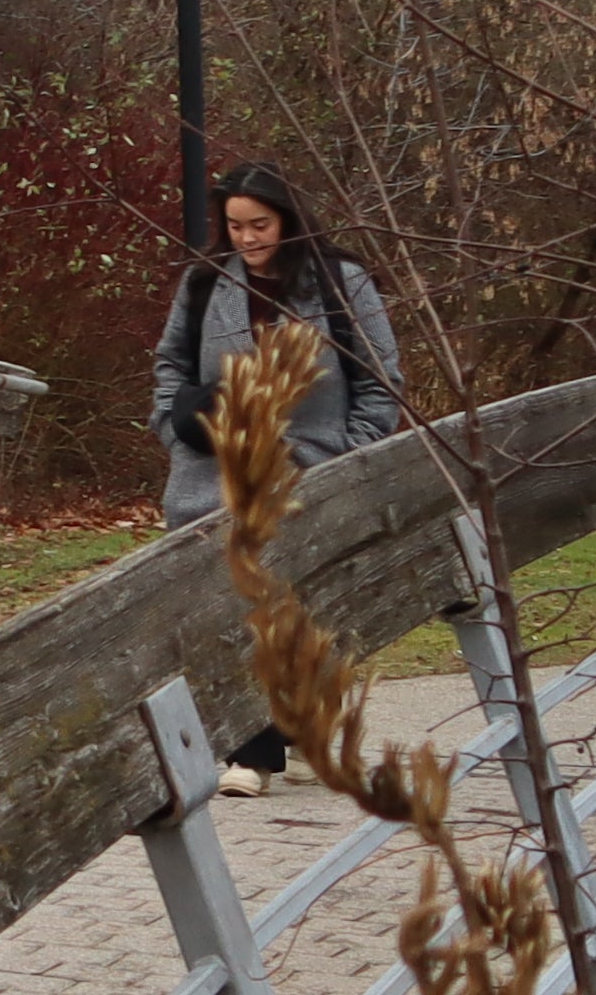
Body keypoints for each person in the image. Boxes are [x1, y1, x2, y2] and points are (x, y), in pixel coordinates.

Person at [149, 159, 408, 792]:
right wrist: (169, 426)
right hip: (210, 480)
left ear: (287, 219)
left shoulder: (340, 284)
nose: (246, 238)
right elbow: (170, 365)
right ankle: (255, 751)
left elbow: (381, 383)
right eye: (234, 226)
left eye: (258, 224)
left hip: (305, 475)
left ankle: (276, 731)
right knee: (227, 610)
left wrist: (345, 456)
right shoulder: (206, 282)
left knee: (281, 609)